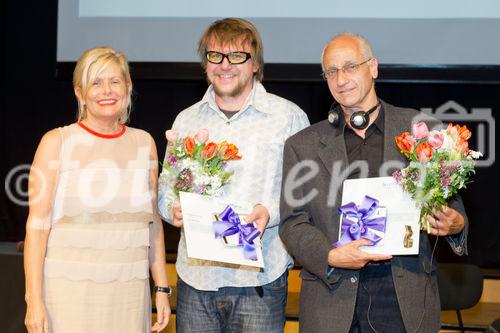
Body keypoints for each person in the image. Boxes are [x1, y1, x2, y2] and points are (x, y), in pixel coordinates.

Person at [279, 33, 468, 332]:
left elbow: (453, 208)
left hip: (404, 298)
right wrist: (330, 256)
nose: (341, 79)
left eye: (351, 66)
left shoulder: (423, 131)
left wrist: (454, 224)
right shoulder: (302, 145)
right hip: (332, 297)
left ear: (374, 68)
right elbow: (293, 223)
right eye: (331, 71)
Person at [158, 18, 309, 332]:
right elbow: (166, 186)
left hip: (259, 281)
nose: (225, 65)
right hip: (196, 281)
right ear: (205, 63)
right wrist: (170, 207)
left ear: (254, 64)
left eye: (237, 56)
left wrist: (271, 212)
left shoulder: (288, 117)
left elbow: (305, 192)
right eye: (215, 55)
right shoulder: (186, 120)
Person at [23, 46, 170, 333]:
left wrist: (162, 288)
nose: (107, 91)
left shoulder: (144, 143)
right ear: (80, 92)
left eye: (115, 81)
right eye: (96, 82)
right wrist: (34, 300)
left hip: (129, 297)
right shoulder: (56, 142)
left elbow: (152, 225)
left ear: (128, 87)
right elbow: (36, 229)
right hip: (67, 298)